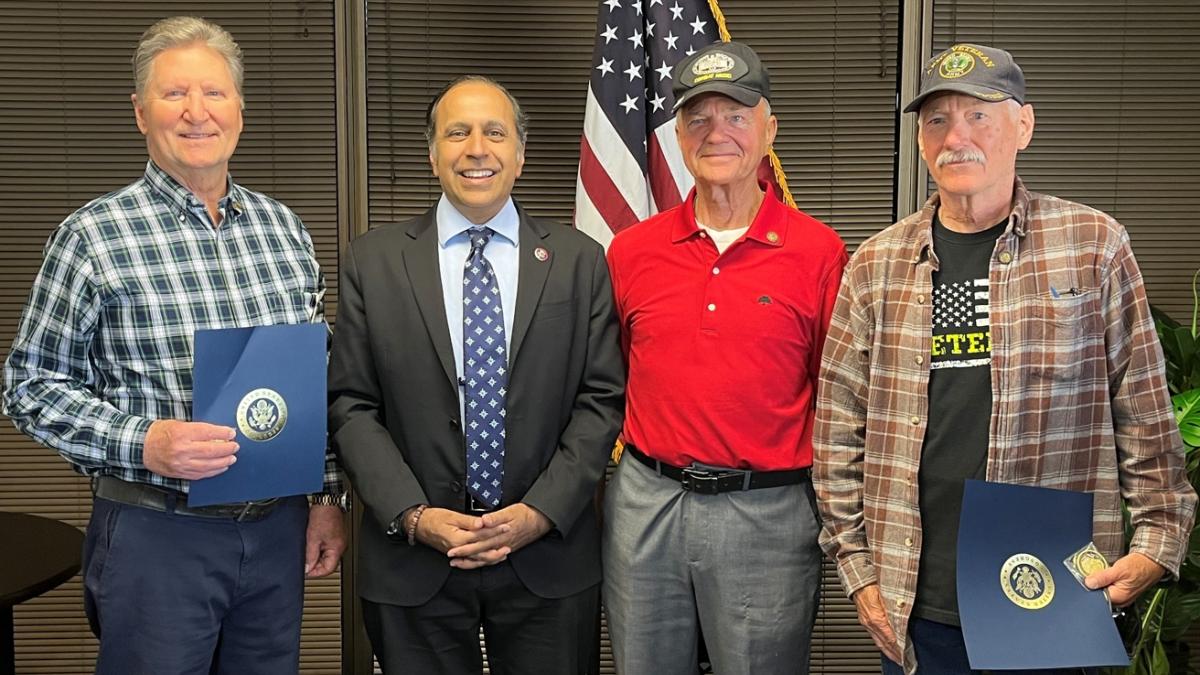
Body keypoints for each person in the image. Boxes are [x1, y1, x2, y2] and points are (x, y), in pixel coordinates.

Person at [814, 43, 1197, 675]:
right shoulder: (876, 264)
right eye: (936, 120)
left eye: (979, 115)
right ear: (918, 139)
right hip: (916, 603)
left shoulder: (1093, 247)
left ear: (1023, 124)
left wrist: (1158, 541)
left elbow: (1145, 413)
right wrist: (859, 575)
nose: (956, 136)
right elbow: (836, 432)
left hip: (1054, 598)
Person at [1, 16, 346, 675]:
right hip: (158, 533)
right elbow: (28, 385)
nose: (196, 113)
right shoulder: (93, 237)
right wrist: (143, 441)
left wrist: (329, 498)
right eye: (173, 94)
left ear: (240, 109)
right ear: (139, 113)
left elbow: (314, 375)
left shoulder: (285, 231)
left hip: (277, 530)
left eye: (214, 93)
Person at [327, 75, 624, 674]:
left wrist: (540, 511)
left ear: (520, 153)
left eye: (494, 132)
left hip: (548, 554)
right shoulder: (373, 260)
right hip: (413, 558)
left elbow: (601, 399)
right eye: (456, 133)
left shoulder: (578, 260)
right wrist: (413, 514)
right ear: (432, 154)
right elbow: (351, 404)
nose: (476, 148)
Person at [602, 41, 848, 675]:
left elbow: (838, 396)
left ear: (769, 130)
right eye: (698, 118)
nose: (718, 133)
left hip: (766, 511)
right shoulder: (632, 251)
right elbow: (615, 376)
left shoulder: (818, 253)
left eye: (737, 115)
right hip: (646, 503)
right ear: (679, 137)